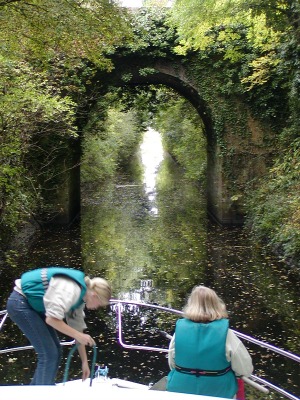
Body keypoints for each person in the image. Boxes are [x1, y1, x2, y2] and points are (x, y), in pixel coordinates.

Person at [6, 266, 111, 385]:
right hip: (20, 303)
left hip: (34, 307)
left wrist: (84, 363)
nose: (97, 308)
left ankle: (37, 390)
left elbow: (78, 331)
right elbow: (52, 319)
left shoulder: (81, 297)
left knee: (56, 351)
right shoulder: (71, 290)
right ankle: (40, 394)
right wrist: (78, 335)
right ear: (94, 295)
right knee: (49, 354)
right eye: (100, 304)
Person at [166, 286, 253, 398]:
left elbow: (172, 365)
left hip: (181, 392)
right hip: (218, 393)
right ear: (216, 304)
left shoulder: (178, 333)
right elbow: (244, 370)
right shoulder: (227, 335)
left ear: (190, 305)